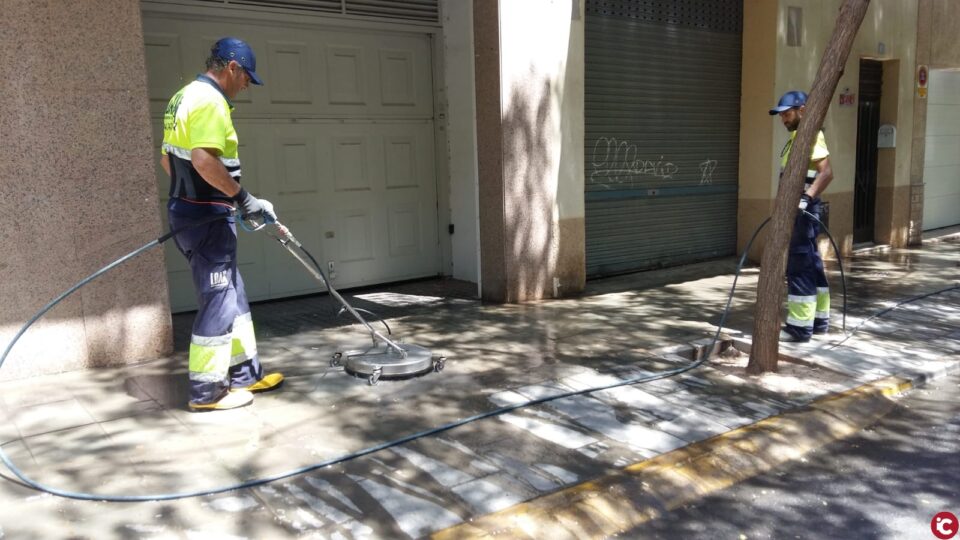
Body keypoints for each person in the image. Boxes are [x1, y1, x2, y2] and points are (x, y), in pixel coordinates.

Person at [160, 37, 284, 410]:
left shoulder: (183, 96)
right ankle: (207, 392)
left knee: (234, 292)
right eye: (247, 77)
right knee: (218, 296)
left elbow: (170, 160)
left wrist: (208, 199)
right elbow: (202, 160)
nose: (247, 85)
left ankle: (246, 373)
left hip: (194, 211)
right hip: (205, 217)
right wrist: (242, 200)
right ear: (232, 67)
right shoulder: (211, 101)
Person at [769, 90, 834, 343]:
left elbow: (826, 173)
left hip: (803, 212)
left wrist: (806, 198)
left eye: (787, 113)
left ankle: (799, 328)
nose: (784, 119)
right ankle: (818, 321)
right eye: (781, 115)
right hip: (799, 211)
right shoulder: (796, 138)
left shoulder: (811, 135)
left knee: (799, 264)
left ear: (803, 110)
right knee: (812, 263)